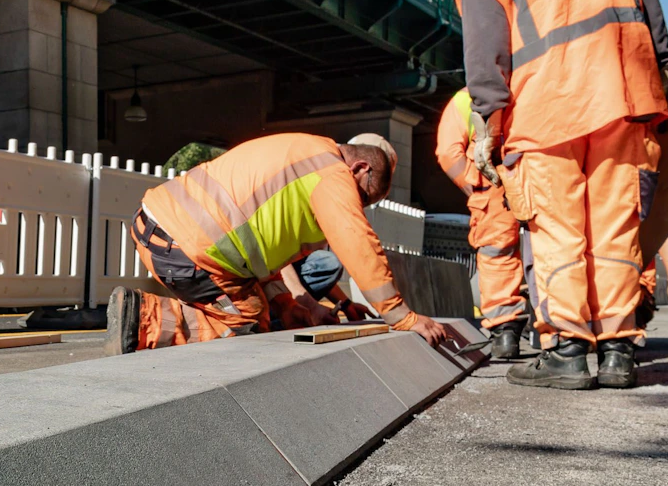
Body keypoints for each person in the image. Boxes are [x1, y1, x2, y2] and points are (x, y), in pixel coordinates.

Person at [453, 0, 668, 389]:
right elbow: (649, 13)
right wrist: (661, 76)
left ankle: (567, 351)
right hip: (623, 97)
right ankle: (619, 352)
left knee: (559, 233)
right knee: (616, 228)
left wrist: (489, 121)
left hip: (543, 112)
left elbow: (486, 53)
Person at [102, 133, 452, 354]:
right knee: (250, 324)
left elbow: (258, 251)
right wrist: (402, 317)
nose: (356, 205)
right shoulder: (333, 175)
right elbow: (357, 241)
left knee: (267, 308)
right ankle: (141, 320)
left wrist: (291, 304)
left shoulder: (304, 151)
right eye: (363, 198)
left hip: (159, 226)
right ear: (359, 168)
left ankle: (259, 311)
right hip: (187, 249)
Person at [436, 88, 528, 358]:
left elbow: (447, 152)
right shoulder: (536, 77)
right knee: (553, 245)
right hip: (540, 172)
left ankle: (505, 333)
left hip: (493, 178)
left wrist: (475, 186)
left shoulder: (467, 95)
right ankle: (565, 332)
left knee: (497, 250)